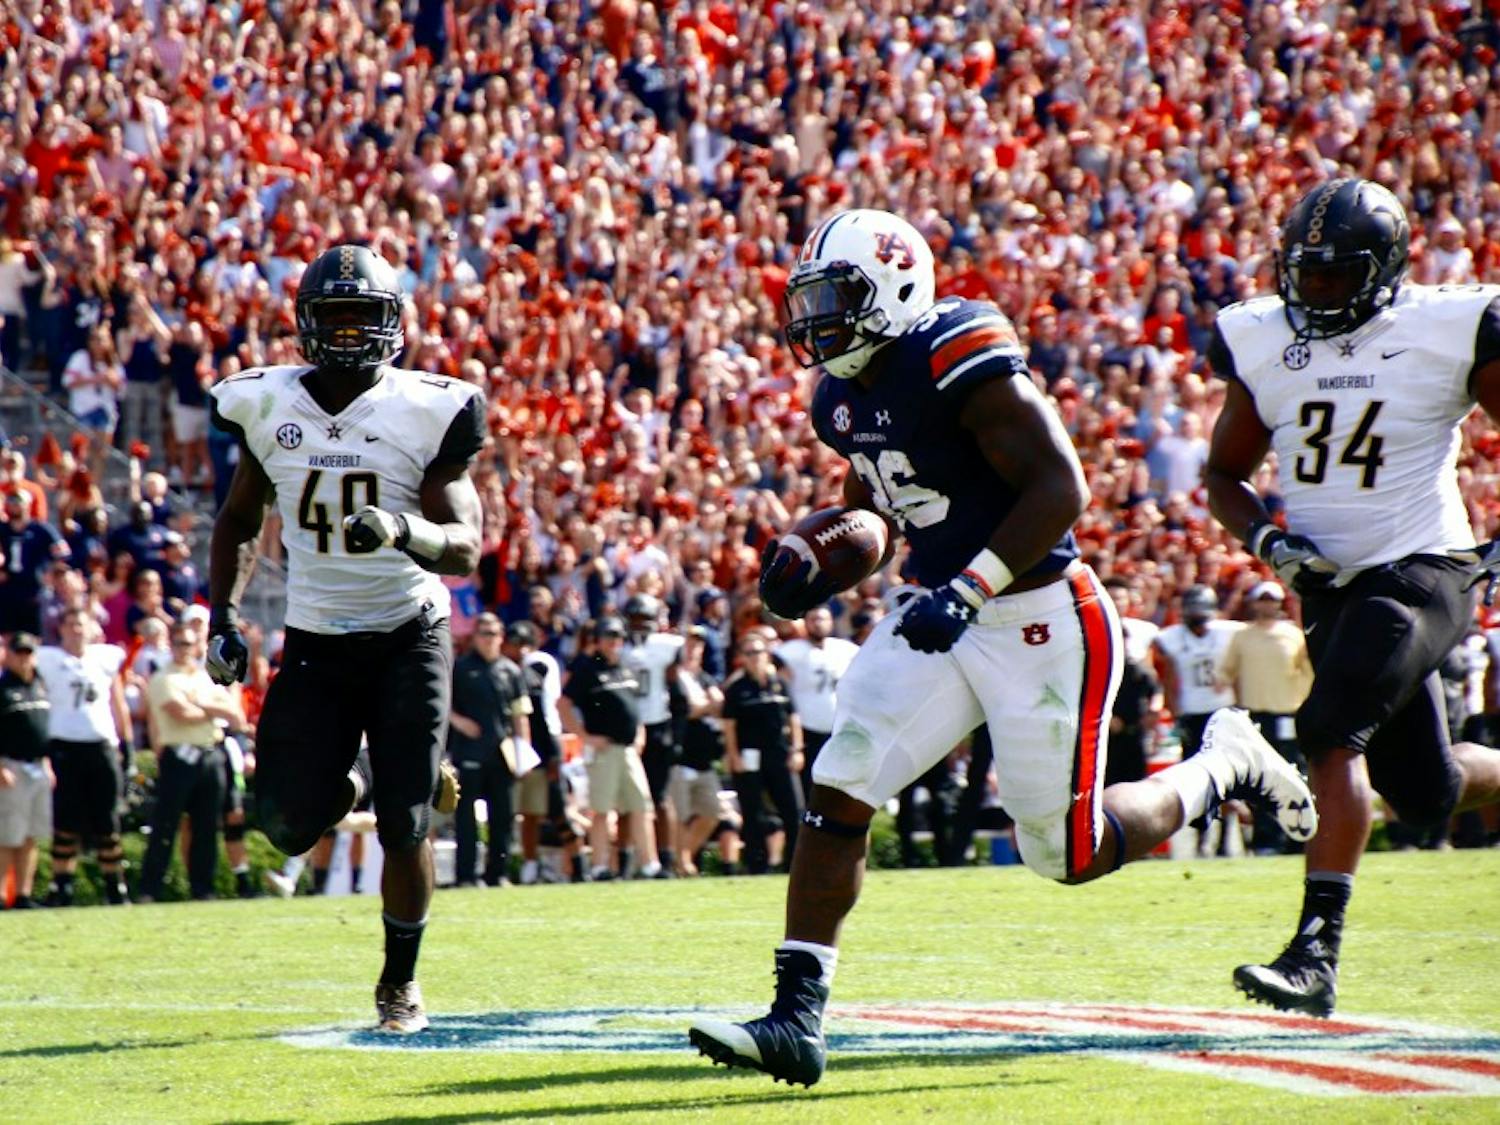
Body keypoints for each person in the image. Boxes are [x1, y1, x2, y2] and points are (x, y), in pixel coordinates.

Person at [688, 209, 1315, 1085]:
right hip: (941, 613)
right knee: (842, 777)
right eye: (810, 300)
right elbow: (878, 499)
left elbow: (1064, 486)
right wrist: (823, 552)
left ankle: (1223, 766)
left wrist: (969, 586)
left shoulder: (954, 351)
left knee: (1068, 851)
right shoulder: (840, 395)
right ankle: (797, 1016)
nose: (816, 319)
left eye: (836, 298)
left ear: (896, 290)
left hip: (1039, 615)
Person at [1205, 178, 1500, 1017]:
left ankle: (1314, 954)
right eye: (1305, 272)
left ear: (1381, 271)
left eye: (1335, 275)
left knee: (1330, 730)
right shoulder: (1264, 338)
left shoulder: (1447, 326)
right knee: (1425, 790)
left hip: (1423, 565)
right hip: (1326, 580)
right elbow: (1225, 473)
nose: (1314, 289)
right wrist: (1266, 541)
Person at [205, 244, 482, 1033]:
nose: (355, 333)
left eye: (369, 317)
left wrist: (403, 528)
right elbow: (239, 518)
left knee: (407, 824)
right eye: (339, 317)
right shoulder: (266, 404)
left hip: (408, 633)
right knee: (286, 825)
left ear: (395, 324)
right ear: (308, 324)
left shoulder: (426, 408)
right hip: (318, 638)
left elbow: (466, 544)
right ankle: (377, 778)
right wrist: (221, 615)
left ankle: (399, 982)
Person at [138, 620, 245, 901]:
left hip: (210, 754)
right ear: (170, 645)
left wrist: (199, 705)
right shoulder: (163, 677)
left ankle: (203, 888)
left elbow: (234, 713)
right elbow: (179, 712)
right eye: (178, 643)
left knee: (208, 826)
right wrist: (212, 710)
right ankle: (150, 888)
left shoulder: (204, 676)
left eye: (188, 643)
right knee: (165, 824)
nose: (183, 649)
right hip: (179, 755)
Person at [34, 606, 134, 906]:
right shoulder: (48, 659)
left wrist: (126, 744)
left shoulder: (104, 658)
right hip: (64, 744)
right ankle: (61, 886)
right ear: (60, 628)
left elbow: (118, 703)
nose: (77, 630)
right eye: (72, 625)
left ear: (91, 628)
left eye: (82, 624)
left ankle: (115, 886)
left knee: (108, 820)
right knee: (66, 819)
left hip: (100, 743)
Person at [560, 615, 661, 879]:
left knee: (642, 807)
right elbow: (563, 705)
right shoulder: (587, 670)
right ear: (598, 641)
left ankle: (651, 864)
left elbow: (632, 708)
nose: (613, 642)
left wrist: (639, 733)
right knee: (602, 809)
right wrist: (584, 737)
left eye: (617, 637)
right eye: (608, 637)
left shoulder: (625, 668)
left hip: (628, 749)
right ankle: (599, 866)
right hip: (604, 749)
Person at [1218, 581, 1314, 853]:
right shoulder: (1243, 636)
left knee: (1296, 775)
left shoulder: (1292, 635)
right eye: (1262, 599)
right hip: (1256, 716)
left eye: (1272, 599)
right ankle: (1266, 840)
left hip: (1287, 713)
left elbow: (1308, 670)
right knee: (1260, 779)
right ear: (1254, 602)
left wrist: (1302, 700)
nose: (1267, 604)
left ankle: (1297, 839)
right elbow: (1227, 671)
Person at [448, 612, 532, 887]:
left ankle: (498, 873)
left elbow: (521, 714)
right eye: (483, 633)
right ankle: (466, 875)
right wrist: (460, 723)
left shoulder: (511, 670)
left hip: (501, 753)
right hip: (469, 752)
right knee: (466, 818)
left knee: (503, 818)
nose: (488, 639)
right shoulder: (460, 668)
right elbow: (443, 706)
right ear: (474, 637)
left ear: (501, 637)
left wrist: (523, 753)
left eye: (493, 634)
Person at [721, 633, 803, 875]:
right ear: (741, 658)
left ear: (767, 654)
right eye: (749, 653)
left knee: (792, 810)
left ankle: (795, 863)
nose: (755, 657)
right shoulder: (737, 688)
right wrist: (733, 755)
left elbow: (794, 718)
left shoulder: (780, 684)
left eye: (758, 651)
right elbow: (729, 726)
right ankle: (758, 864)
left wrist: (797, 749)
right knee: (752, 811)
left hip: (780, 754)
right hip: (749, 758)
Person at [620, 592, 685, 874]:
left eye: (644, 618)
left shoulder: (667, 646)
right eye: (634, 619)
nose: (638, 624)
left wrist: (677, 733)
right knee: (625, 800)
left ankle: (667, 859)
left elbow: (678, 687)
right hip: (624, 727)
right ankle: (623, 861)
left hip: (658, 725)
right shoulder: (616, 646)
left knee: (659, 798)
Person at [670, 626, 742, 875]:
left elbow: (720, 707)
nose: (693, 650)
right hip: (681, 758)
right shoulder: (674, 677)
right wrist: (706, 706)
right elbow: (687, 710)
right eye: (688, 644)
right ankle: (681, 862)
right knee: (679, 815)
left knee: (712, 812)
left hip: (704, 760)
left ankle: (683, 859)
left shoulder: (705, 678)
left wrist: (706, 706)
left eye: (698, 645)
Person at [504, 620, 571, 885]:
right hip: (513, 747)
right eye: (514, 644)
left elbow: (541, 710)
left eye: (523, 644)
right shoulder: (501, 669)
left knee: (554, 810)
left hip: (541, 746)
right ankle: (528, 864)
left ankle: (574, 865)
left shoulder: (539, 664)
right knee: (520, 811)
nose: (519, 650)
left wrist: (553, 754)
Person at [773, 605, 858, 792]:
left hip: (839, 727)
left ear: (831, 622)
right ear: (805, 623)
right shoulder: (789, 651)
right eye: (813, 619)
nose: (818, 624)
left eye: (822, 619)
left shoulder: (846, 649)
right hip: (806, 727)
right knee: (810, 783)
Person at [1153, 585, 1242, 759]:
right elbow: (1169, 681)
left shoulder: (1229, 631)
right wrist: (1176, 714)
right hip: (1192, 710)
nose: (1200, 627)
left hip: (1225, 707)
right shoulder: (1170, 638)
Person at [0, 633, 53, 910]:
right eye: (19, 652)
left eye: (28, 652)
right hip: (11, 766)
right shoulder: (2, 688)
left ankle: (23, 894)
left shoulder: (40, 683)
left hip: (39, 764)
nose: (24, 658)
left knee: (32, 834)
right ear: (8, 654)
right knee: (8, 835)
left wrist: (49, 764)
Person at [0, 490, 68, 635]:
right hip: (7, 592)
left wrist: (51, 571)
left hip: (34, 593)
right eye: (11, 502)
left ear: (28, 504)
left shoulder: (40, 529)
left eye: (18, 502)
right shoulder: (3, 529)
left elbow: (63, 552)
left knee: (34, 634)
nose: (14, 506)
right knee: (7, 635)